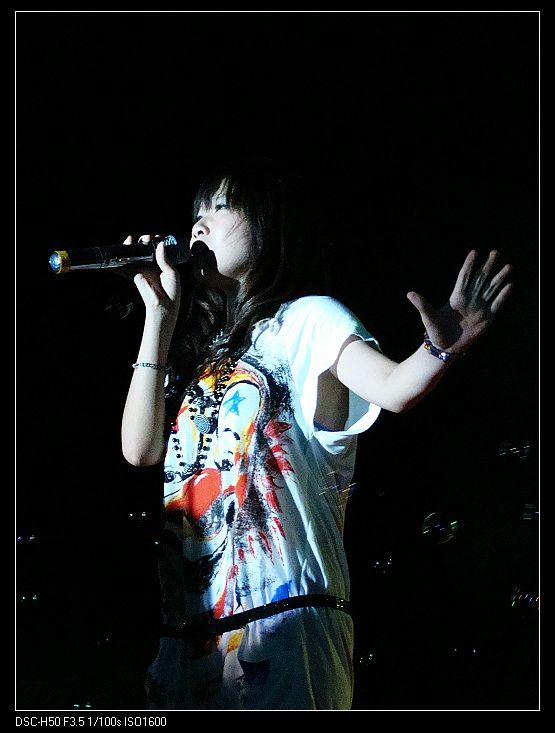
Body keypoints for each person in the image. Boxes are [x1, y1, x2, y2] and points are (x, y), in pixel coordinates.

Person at [120, 157, 513, 710]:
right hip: (188, 642)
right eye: (196, 214)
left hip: (283, 629)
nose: (198, 225)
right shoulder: (205, 358)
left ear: (271, 226)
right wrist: (158, 318)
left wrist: (438, 349)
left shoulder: (310, 319)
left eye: (221, 207)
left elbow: (394, 387)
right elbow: (139, 449)